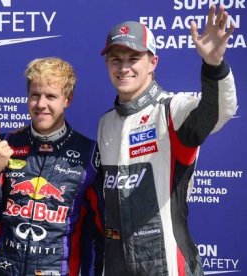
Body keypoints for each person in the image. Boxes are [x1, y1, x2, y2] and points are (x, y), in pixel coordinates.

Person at [97, 5, 237, 276]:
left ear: (153, 62)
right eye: (116, 59)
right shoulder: (106, 123)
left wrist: (214, 66)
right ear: (107, 64)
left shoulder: (172, 110)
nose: (124, 67)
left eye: (133, 57)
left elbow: (219, 111)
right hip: (115, 263)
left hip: (167, 264)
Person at [0, 57, 104, 275]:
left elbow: (102, 233)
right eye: (35, 95)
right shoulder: (4, 146)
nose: (41, 104)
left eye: (51, 96)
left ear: (67, 99)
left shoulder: (90, 153)